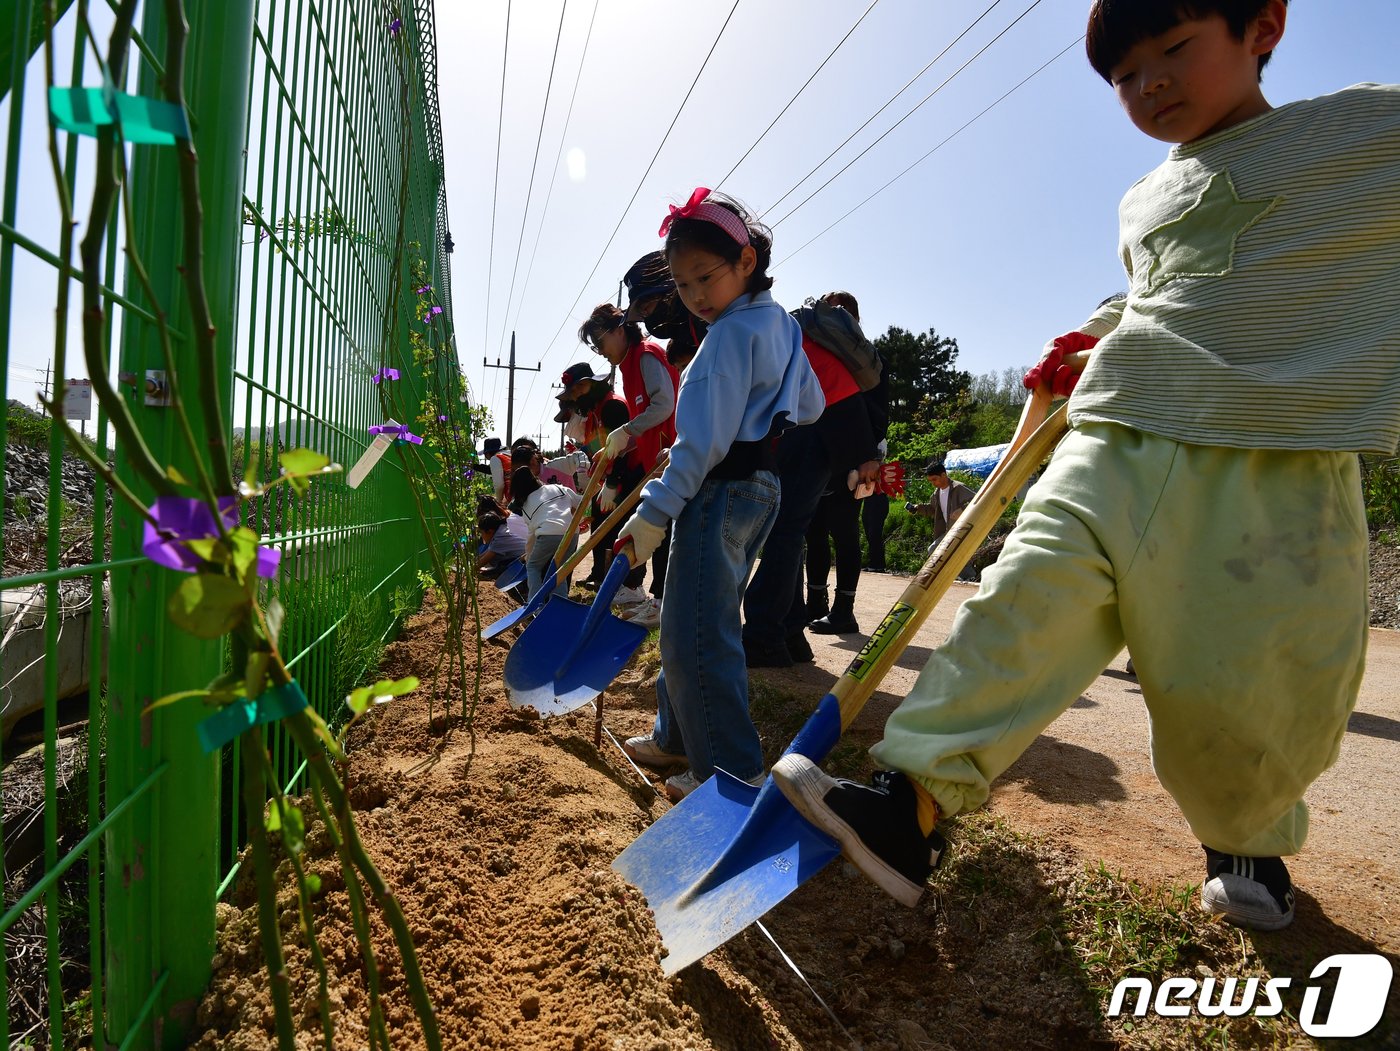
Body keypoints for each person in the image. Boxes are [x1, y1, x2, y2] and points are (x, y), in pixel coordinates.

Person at [772, 0, 1400, 933]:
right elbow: (1158, 294)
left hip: (1270, 458)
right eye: (1123, 76)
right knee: (1022, 597)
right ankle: (911, 805)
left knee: (1241, 678)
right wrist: (1092, 337)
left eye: (1175, 50)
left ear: (1263, 25)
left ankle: (1248, 841)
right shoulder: (1142, 200)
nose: (1150, 84)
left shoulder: (1357, 137)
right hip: (1121, 431)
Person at [614, 187, 824, 800]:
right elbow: (809, 404)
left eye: (706, 277)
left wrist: (654, 513)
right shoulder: (779, 324)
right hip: (761, 488)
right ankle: (675, 737)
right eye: (682, 286)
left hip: (719, 487)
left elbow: (699, 443)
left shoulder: (725, 339)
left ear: (745, 262)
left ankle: (730, 772)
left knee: (699, 638)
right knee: (692, 622)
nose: (696, 296)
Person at [743, 290, 883, 666]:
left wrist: (867, 454)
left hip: (811, 433)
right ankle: (787, 635)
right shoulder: (796, 332)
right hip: (822, 433)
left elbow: (836, 385)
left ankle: (764, 637)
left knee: (784, 533)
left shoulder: (778, 330)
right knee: (791, 534)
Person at [579, 301, 680, 625]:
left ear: (619, 330)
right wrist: (615, 448)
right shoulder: (626, 367)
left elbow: (665, 406)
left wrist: (625, 430)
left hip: (675, 457)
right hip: (657, 459)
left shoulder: (647, 355)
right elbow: (643, 422)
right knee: (660, 529)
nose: (600, 350)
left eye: (600, 341)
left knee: (664, 530)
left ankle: (663, 602)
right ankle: (659, 600)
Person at [556, 361, 646, 603]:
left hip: (628, 474)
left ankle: (631, 585)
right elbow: (603, 446)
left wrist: (613, 483)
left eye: (576, 392)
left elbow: (620, 448)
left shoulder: (613, 406)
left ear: (589, 385)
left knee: (623, 529)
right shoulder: (598, 409)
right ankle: (602, 576)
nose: (575, 399)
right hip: (612, 476)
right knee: (601, 524)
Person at [512, 466, 582, 599]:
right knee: (559, 570)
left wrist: (528, 556)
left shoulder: (526, 506)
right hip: (572, 533)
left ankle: (534, 604)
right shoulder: (557, 488)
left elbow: (531, 537)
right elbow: (582, 502)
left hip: (548, 534)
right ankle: (558, 603)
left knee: (533, 567)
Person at [905, 459, 974, 550]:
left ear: (944, 475)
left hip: (964, 532)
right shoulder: (936, 493)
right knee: (933, 550)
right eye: (930, 481)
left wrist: (962, 510)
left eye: (934, 479)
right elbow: (933, 509)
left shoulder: (958, 488)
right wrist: (918, 508)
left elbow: (977, 501)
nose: (933, 483)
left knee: (962, 560)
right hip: (949, 533)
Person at [862, 441, 891, 572]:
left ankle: (878, 564)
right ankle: (873, 562)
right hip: (868, 499)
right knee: (868, 530)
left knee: (875, 532)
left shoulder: (883, 468)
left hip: (879, 499)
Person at [483, 437, 512, 504]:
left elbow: (499, 485)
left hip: (513, 497)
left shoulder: (495, 458)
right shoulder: (510, 454)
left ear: (487, 453)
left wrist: (499, 501)